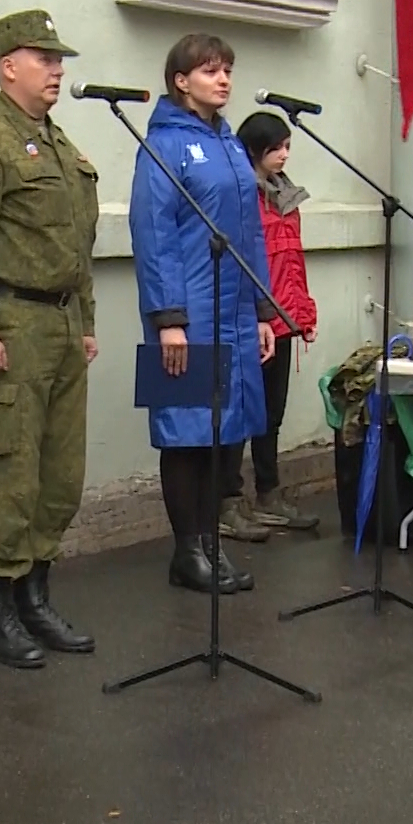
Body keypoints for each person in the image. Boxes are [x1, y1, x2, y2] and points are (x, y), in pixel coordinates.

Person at [0, 9, 99, 670]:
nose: (57, 69)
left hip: (61, 325)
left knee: (60, 475)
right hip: (13, 324)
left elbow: (76, 244)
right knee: (11, 474)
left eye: (59, 59)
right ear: (9, 66)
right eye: (44, 58)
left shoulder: (59, 145)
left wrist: (85, 320)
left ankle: (36, 597)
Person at [130, 33, 278, 596]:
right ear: (180, 81)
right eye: (211, 71)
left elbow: (250, 233)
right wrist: (168, 317)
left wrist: (261, 308)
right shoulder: (163, 146)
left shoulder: (232, 145)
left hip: (236, 312)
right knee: (186, 435)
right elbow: (153, 235)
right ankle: (186, 551)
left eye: (227, 70)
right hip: (187, 312)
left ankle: (213, 544)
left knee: (228, 431)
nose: (224, 80)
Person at [219, 110, 322, 540]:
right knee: (238, 415)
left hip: (281, 319)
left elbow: (292, 263)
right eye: (274, 148)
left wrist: (303, 314)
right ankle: (228, 500)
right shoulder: (241, 195)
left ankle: (268, 493)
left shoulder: (285, 198)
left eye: (287, 147)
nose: (282, 156)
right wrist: (254, 314)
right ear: (254, 150)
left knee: (271, 415)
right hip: (248, 320)